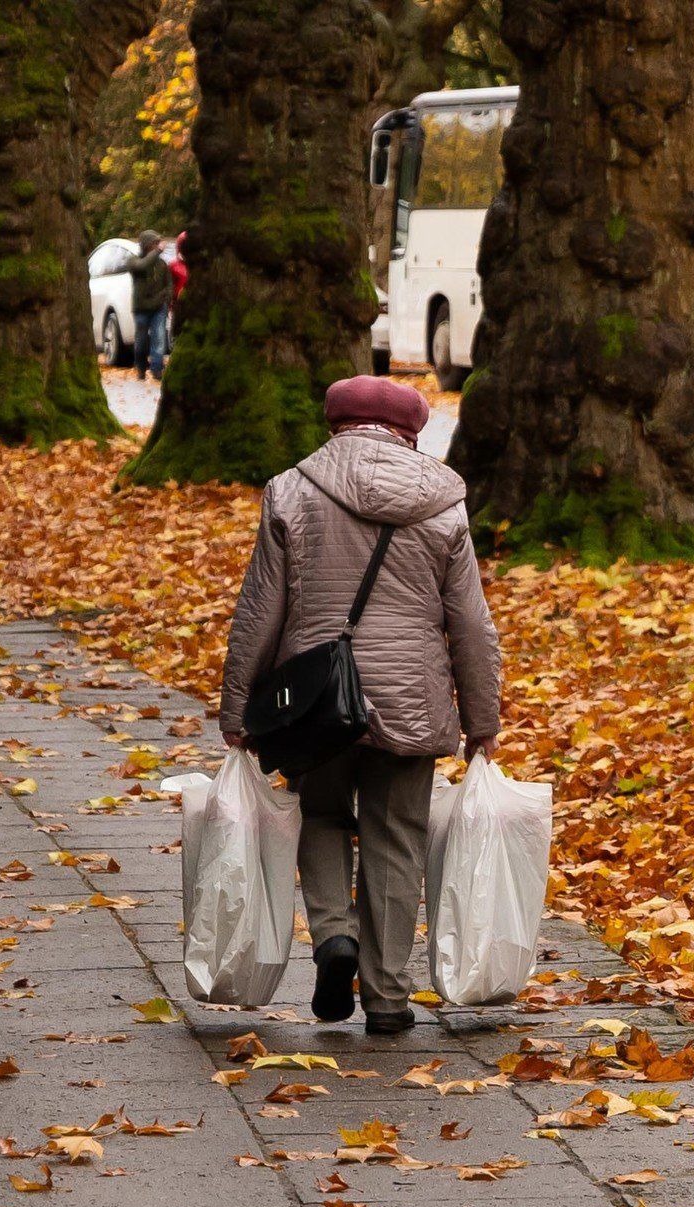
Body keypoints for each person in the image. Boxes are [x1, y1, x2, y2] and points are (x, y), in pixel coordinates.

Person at [219, 376, 501, 1035]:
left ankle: (333, 936)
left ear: (335, 422)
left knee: (320, 813)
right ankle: (387, 996)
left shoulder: (291, 490)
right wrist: (482, 720)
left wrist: (238, 705)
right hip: (412, 697)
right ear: (411, 431)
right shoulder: (444, 504)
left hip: (314, 698)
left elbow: (260, 609)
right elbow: (471, 626)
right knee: (396, 835)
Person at [125, 229, 172, 380]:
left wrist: (166, 297)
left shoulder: (162, 264)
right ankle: (140, 367)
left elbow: (169, 284)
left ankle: (157, 369)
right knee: (141, 342)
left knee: (159, 339)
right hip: (141, 308)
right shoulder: (134, 261)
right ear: (146, 245)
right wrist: (158, 251)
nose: (157, 246)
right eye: (154, 243)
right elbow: (143, 266)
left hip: (159, 308)